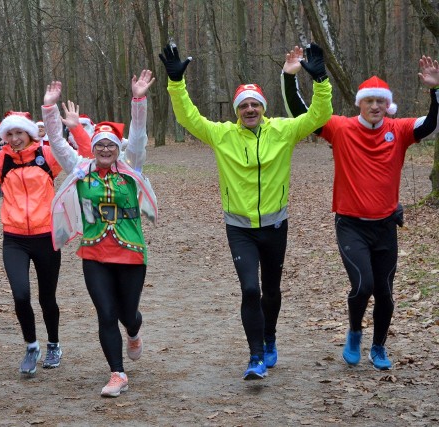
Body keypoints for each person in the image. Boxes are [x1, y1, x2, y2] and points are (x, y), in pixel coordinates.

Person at [159, 42, 332, 380]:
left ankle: (270, 338)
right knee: (251, 289)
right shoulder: (221, 135)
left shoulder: (283, 131)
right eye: (244, 105)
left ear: (263, 108)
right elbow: (188, 117)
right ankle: (255, 357)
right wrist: (176, 84)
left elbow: (318, 116)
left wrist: (321, 81)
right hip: (239, 227)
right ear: (237, 110)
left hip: (276, 225)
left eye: (255, 104)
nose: (250, 109)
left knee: (272, 290)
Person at [281, 51, 439, 370]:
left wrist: (435, 92)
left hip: (385, 227)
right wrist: (289, 77)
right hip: (351, 225)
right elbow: (303, 113)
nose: (376, 106)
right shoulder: (340, 129)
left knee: (386, 294)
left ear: (387, 105)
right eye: (370, 101)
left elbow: (431, 125)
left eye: (381, 101)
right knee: (363, 285)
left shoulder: (400, 130)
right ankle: (354, 332)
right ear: (360, 103)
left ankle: (378, 347)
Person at [0, 109, 91, 376]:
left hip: (46, 236)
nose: (14, 138)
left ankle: (54, 344)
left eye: (19, 133)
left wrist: (77, 129)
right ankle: (31, 346)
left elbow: (84, 157)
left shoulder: (47, 156)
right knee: (21, 295)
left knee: (47, 298)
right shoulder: (0, 161)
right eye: (9, 134)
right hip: (14, 239)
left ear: (30, 133)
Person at [42, 70, 157, 397]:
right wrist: (49, 110)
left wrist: (138, 100)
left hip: (131, 252)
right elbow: (57, 143)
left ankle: (134, 330)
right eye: (99, 144)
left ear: (117, 149)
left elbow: (137, 136)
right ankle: (117, 373)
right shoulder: (80, 169)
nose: (105, 149)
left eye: (110, 145)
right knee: (106, 313)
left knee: (126, 314)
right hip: (94, 254)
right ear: (93, 148)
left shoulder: (132, 168)